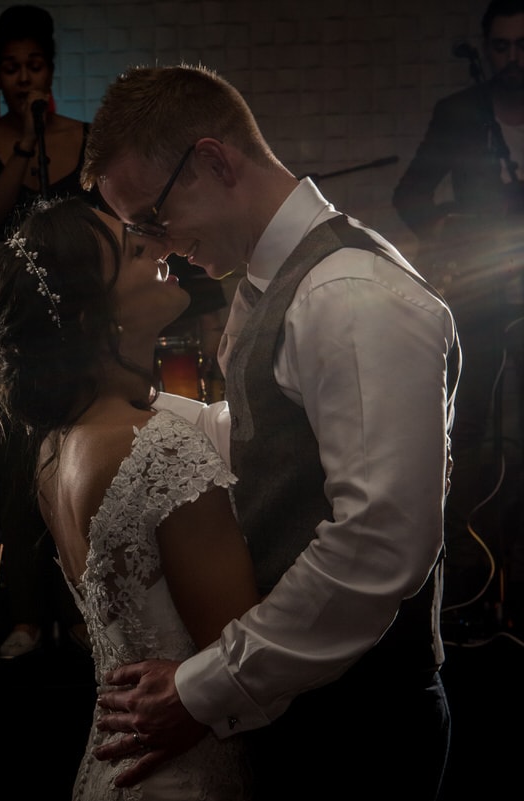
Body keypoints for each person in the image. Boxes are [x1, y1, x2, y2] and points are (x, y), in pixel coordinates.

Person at [81, 65, 458, 800]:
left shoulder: (349, 296)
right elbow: (260, 444)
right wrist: (127, 415)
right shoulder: (273, 282)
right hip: (309, 704)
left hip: (361, 723)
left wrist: (203, 685)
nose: (157, 247)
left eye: (154, 220)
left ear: (215, 162)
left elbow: (377, 544)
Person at [0, 197, 259, 798]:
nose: (156, 249)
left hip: (115, 766)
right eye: (133, 251)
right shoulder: (154, 451)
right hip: (188, 770)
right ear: (90, 319)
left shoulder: (59, 444)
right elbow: (244, 651)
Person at [0, 4, 93, 658]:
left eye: (34, 65)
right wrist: (27, 146)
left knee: (83, 461)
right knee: (17, 470)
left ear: (51, 67)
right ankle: (28, 617)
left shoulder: (91, 139)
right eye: (11, 68)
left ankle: (82, 609)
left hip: (81, 323)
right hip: (7, 326)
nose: (24, 78)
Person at [393, 0, 524, 605]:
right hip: (488, 296)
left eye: (523, 44)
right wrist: (449, 228)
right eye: (500, 46)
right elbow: (411, 194)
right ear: (485, 48)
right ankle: (470, 584)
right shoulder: (461, 113)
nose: (512, 58)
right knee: (470, 435)